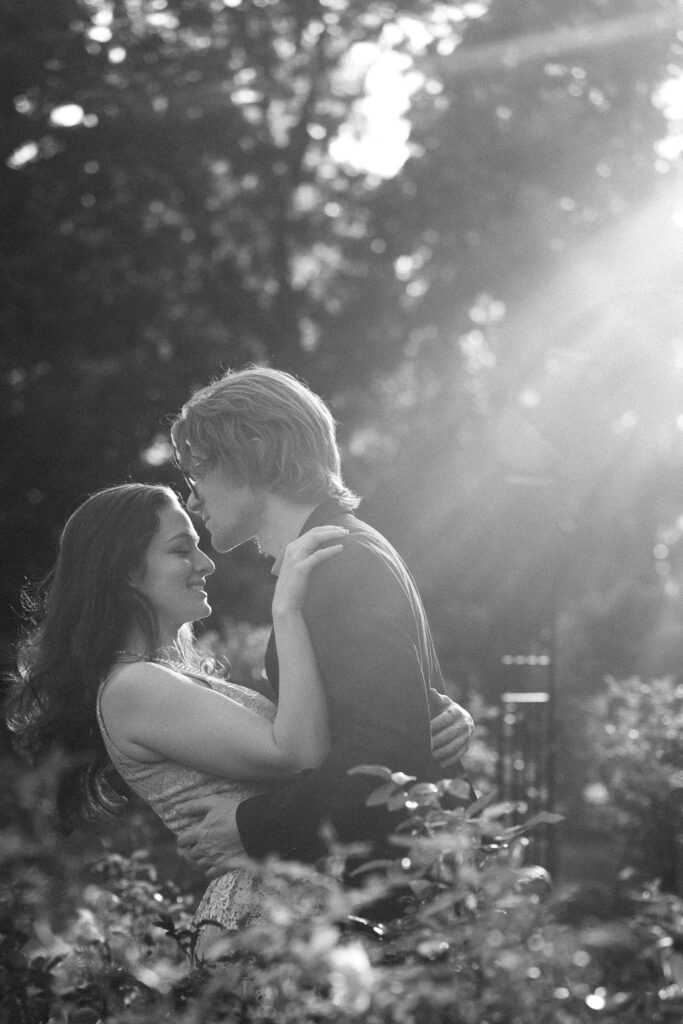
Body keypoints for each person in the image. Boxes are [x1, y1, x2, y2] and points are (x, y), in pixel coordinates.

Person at [5, 482, 350, 954]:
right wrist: (287, 608)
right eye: (181, 550)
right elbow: (299, 752)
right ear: (126, 571)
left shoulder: (158, 679)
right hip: (259, 916)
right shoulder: (134, 687)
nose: (206, 563)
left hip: (284, 905)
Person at [170, 366, 475, 882]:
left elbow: (383, 760)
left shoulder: (340, 561)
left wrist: (251, 826)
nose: (193, 498)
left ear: (255, 453)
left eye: (198, 473)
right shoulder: (336, 551)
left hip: (394, 894)